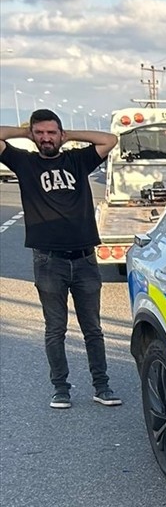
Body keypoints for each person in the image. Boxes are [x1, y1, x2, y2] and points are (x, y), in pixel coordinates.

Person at [0, 110, 121, 409]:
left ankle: (102, 386)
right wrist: (24, 133)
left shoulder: (78, 160)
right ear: (33, 134)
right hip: (48, 260)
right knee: (55, 329)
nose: (46, 138)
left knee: (93, 328)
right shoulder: (24, 162)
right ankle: (60, 388)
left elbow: (110, 139)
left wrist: (69, 135)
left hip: (84, 259)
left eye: (51, 133)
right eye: (40, 133)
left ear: (60, 134)